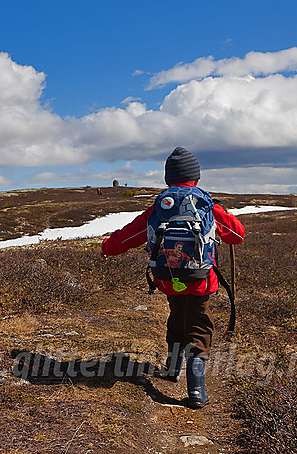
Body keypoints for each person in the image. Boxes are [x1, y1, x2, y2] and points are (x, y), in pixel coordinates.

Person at [101, 147, 245, 408]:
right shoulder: (206, 206)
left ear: (168, 178)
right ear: (196, 178)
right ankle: (197, 392)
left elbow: (131, 235)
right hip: (201, 280)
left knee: (176, 317)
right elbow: (238, 235)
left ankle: (171, 370)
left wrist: (107, 248)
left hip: (167, 278)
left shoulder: (159, 207)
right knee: (199, 326)